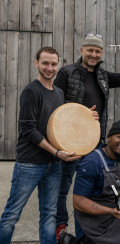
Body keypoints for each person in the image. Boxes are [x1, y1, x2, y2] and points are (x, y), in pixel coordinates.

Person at [54, 33, 120, 238]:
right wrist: (82, 114)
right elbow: (55, 107)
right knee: (64, 187)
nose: (93, 54)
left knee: (90, 190)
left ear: (101, 53)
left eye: (97, 51)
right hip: (70, 142)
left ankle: (88, 231)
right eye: (90, 50)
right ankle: (61, 225)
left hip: (94, 143)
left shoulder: (102, 75)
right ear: (82, 50)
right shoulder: (66, 73)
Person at [0, 47, 81, 244]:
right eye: (45, 63)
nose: (49, 68)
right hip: (30, 164)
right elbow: (29, 130)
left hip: (53, 165)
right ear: (36, 63)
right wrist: (56, 152)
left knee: (49, 216)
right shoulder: (31, 91)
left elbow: (62, 123)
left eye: (53, 64)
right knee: (12, 215)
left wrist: (87, 116)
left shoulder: (59, 93)